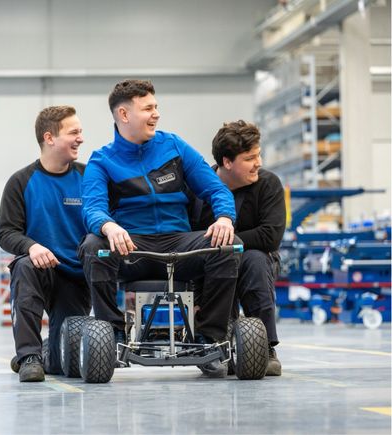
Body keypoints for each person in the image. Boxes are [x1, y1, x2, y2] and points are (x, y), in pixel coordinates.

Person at [78, 79, 241, 378]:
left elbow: (216, 189)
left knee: (228, 247)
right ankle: (112, 336)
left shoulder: (174, 146)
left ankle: (209, 338)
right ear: (124, 115)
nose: (156, 114)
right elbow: (92, 208)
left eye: (156, 107)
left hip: (179, 243)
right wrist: (109, 226)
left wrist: (224, 218)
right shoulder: (102, 161)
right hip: (133, 249)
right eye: (148, 108)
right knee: (93, 246)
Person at [0, 105, 91, 382]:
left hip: (75, 276)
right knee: (24, 266)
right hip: (40, 269)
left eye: (80, 132)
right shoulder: (21, 182)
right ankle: (29, 356)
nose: (81, 138)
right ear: (49, 138)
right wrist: (32, 246)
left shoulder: (88, 178)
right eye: (73, 132)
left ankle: (48, 352)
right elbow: (6, 232)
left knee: (67, 365)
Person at [188, 120, 285, 376]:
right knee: (220, 261)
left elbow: (270, 236)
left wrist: (225, 241)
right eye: (250, 158)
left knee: (253, 260)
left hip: (257, 260)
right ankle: (216, 343)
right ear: (227, 162)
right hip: (206, 265)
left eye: (258, 155)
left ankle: (264, 348)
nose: (258, 163)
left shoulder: (268, 184)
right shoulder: (197, 189)